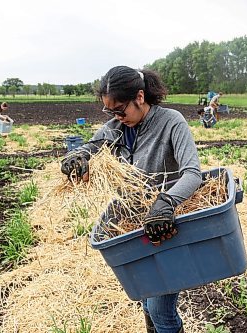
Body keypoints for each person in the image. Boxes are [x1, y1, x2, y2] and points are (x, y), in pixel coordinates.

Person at [60, 65, 202, 333]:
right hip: (136, 226)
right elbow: (90, 147)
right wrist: (76, 157)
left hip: (167, 225)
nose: (116, 116)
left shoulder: (171, 121)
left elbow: (193, 173)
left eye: (120, 109)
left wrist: (167, 202)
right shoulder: (115, 128)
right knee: (146, 301)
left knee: (161, 308)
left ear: (139, 97)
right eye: (109, 111)